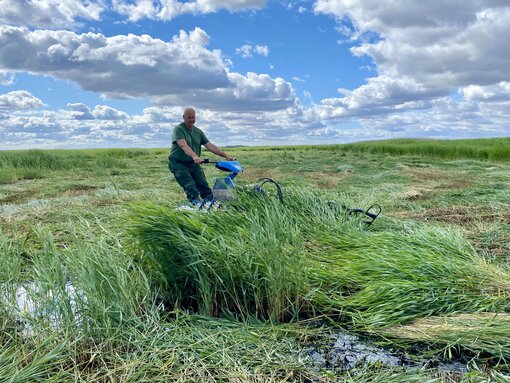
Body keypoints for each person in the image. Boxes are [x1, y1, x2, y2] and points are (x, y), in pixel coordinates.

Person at [168, 107, 235, 204]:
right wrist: (195, 156)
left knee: (203, 185)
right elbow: (183, 145)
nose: (191, 120)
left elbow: (209, 145)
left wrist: (226, 156)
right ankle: (195, 205)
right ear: (183, 117)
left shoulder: (198, 132)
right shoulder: (178, 129)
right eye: (189, 117)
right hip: (179, 164)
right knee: (190, 186)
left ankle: (210, 204)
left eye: (193, 117)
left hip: (193, 164)